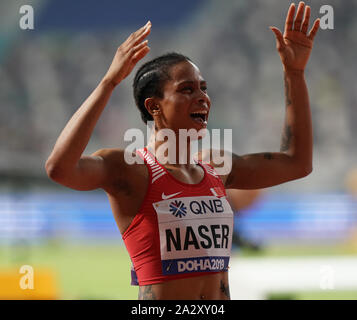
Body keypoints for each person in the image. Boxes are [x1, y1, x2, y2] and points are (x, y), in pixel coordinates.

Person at [45, 2, 319, 300]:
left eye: (203, 88)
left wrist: (295, 73)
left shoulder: (217, 166)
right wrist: (109, 82)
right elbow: (59, 169)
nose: (202, 97)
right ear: (154, 106)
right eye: (187, 89)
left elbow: (297, 163)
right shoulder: (130, 168)